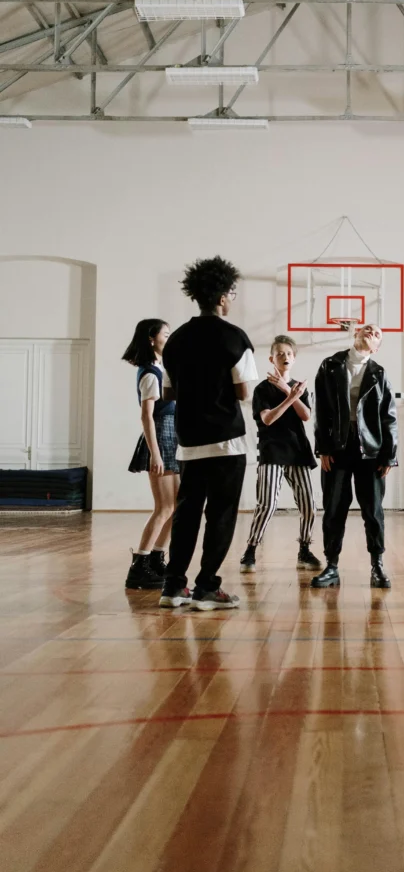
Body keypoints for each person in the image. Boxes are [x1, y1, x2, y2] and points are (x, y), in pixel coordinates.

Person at [158, 256, 258, 611]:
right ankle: (206, 588)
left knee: (186, 514)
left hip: (189, 441)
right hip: (227, 441)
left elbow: (168, 394)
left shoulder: (176, 341)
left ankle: (172, 586)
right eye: (231, 293)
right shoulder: (235, 337)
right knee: (221, 515)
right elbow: (244, 392)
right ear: (221, 297)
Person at [311, 323, 398, 589]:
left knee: (373, 510)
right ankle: (332, 566)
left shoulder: (378, 373)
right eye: (367, 329)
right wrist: (323, 448)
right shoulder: (330, 365)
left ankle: (377, 566)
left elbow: (389, 418)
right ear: (355, 334)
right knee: (334, 508)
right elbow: (321, 410)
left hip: (369, 451)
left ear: (377, 347)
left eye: (377, 334)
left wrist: (389, 456)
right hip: (337, 448)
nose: (372, 332)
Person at [240, 335, 322, 574]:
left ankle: (304, 549)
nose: (285, 357)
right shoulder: (262, 389)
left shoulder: (298, 387)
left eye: (289, 353)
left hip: (297, 450)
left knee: (309, 504)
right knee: (267, 504)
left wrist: (290, 392)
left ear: (294, 358)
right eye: (280, 354)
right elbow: (268, 418)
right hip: (272, 450)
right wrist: (290, 397)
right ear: (272, 358)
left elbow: (306, 416)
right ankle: (251, 550)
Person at [122, 318, 179, 590]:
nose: (169, 338)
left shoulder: (161, 368)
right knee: (165, 507)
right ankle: (139, 567)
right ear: (151, 339)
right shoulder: (149, 373)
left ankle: (156, 559)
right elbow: (146, 417)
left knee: (175, 506)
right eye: (165, 334)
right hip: (160, 438)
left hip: (171, 436)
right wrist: (155, 455)